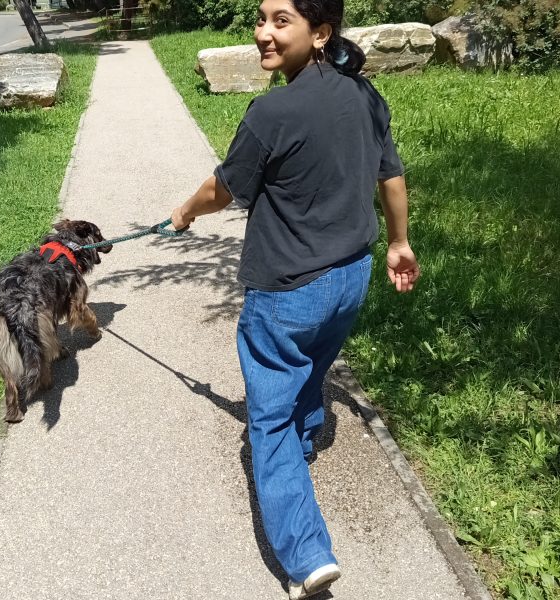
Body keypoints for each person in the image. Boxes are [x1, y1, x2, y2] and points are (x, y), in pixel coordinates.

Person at [170, 0, 420, 597]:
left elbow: (222, 188)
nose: (263, 33)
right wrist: (400, 243)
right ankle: (309, 431)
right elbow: (390, 175)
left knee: (269, 418)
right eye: (261, 19)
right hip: (351, 277)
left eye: (281, 20)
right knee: (313, 360)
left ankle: (307, 555)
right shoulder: (363, 95)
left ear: (321, 31)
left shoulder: (271, 112)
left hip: (287, 291)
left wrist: (182, 212)